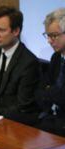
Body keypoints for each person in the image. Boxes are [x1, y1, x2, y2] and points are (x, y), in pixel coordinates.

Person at [33, 8, 65, 136]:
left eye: (54, 35)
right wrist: (51, 92)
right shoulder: (56, 58)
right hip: (51, 118)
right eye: (48, 35)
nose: (49, 40)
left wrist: (50, 91)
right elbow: (40, 90)